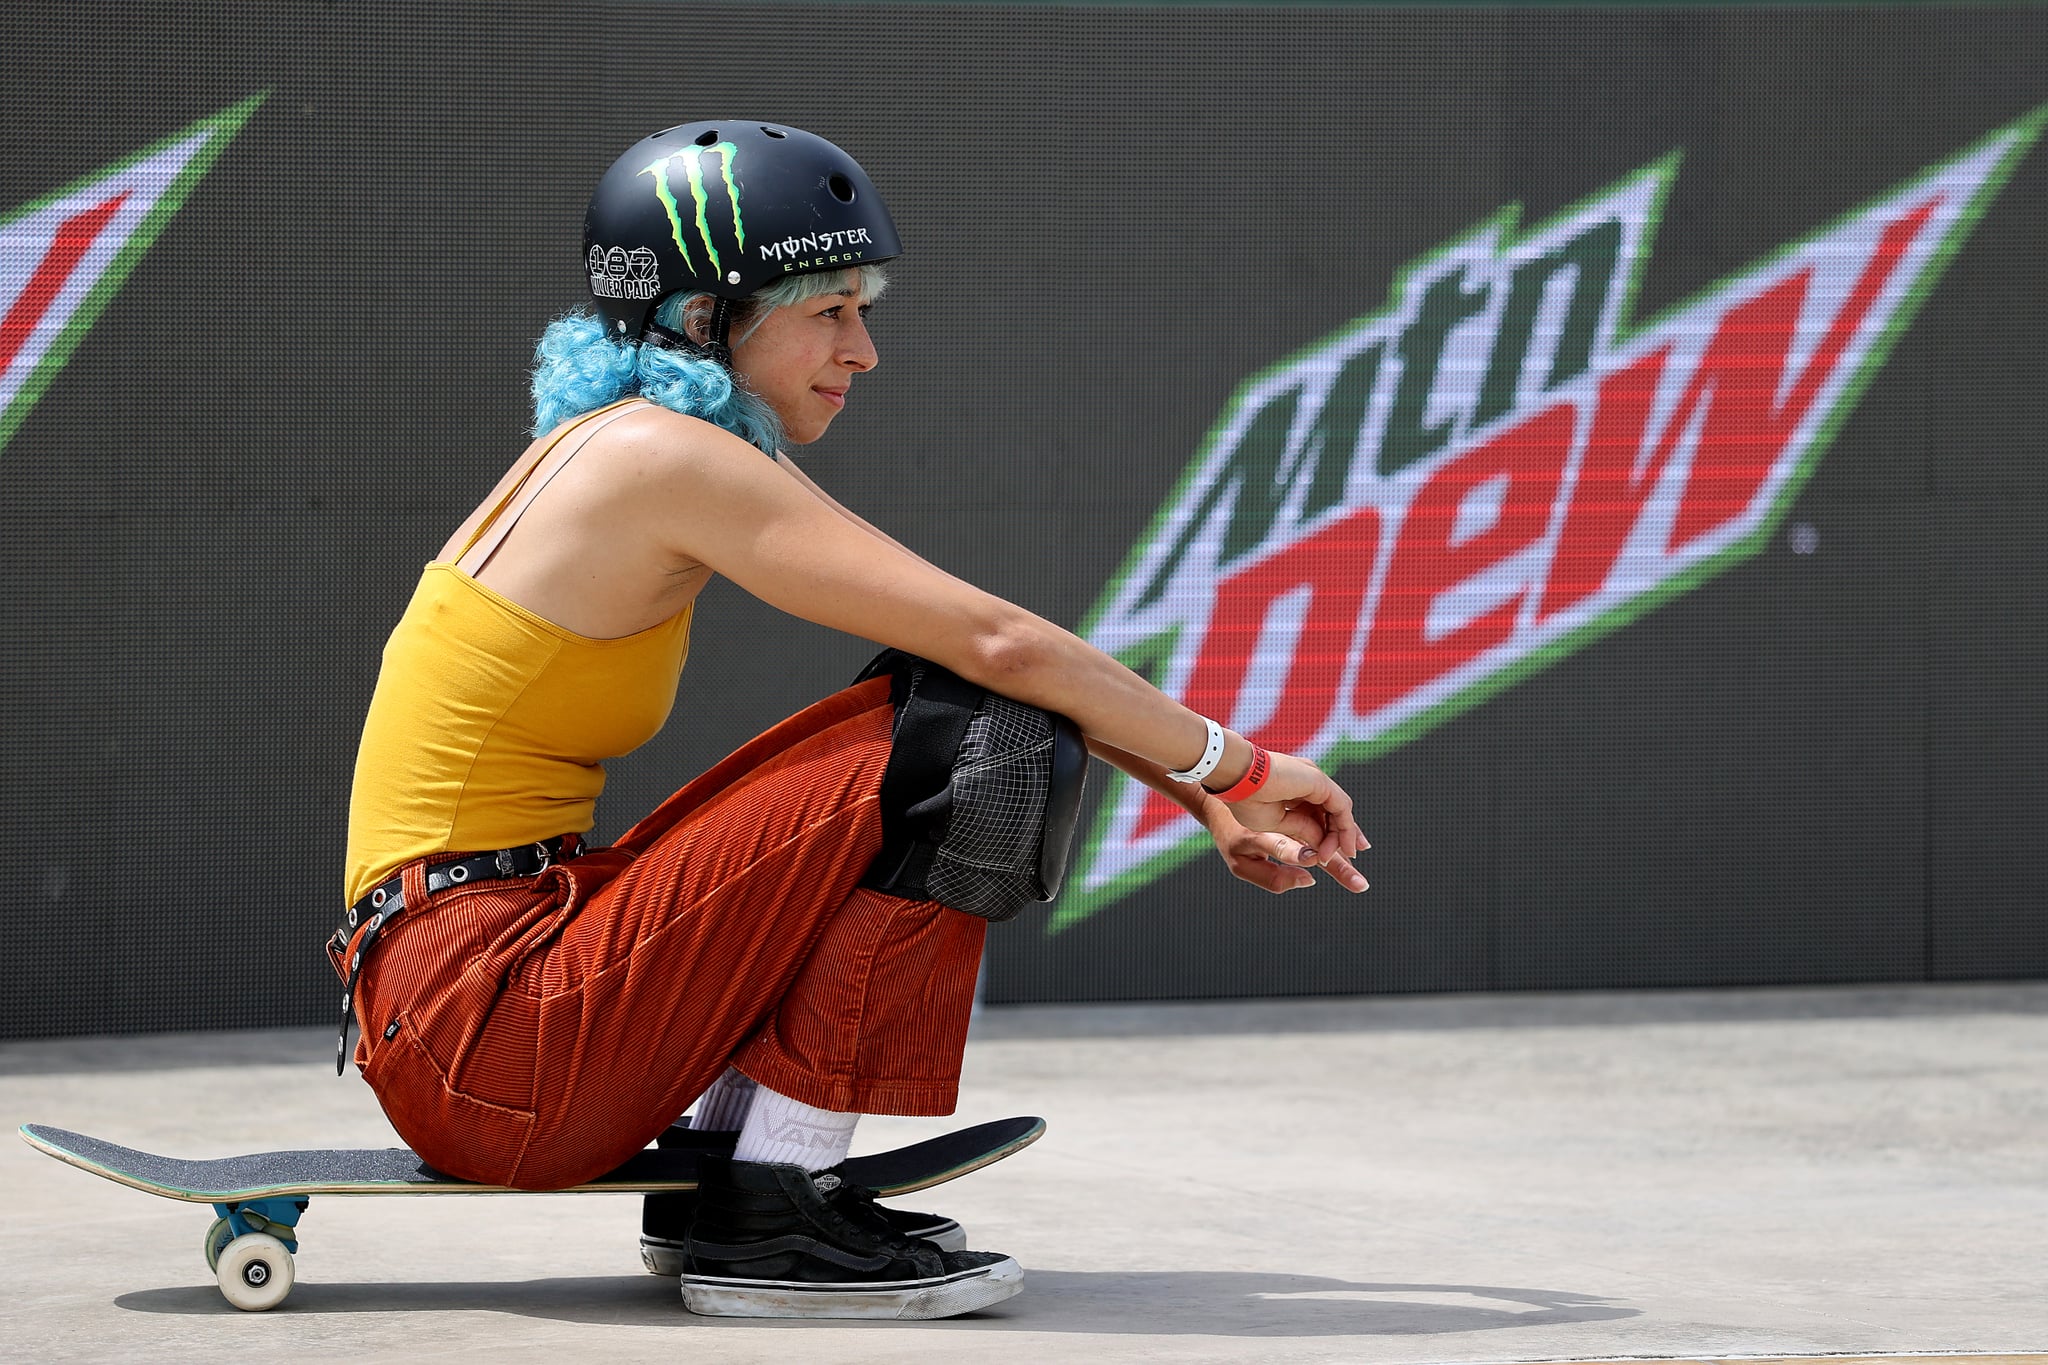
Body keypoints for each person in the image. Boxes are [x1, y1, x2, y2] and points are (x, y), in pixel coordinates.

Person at [330, 121, 1369, 1321]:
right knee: (988, 740)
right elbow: (998, 647)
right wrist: (1235, 767)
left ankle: (736, 1171)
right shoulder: (661, 461)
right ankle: (773, 1206)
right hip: (490, 1039)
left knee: (966, 713)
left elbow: (978, 654)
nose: (862, 350)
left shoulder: (626, 443)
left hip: (477, 998)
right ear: (707, 314)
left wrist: (1202, 797)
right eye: (828, 310)